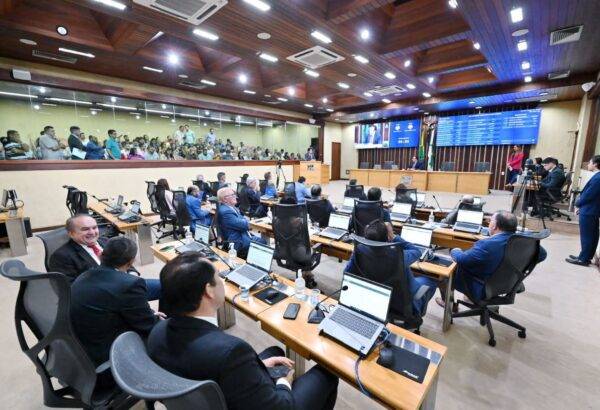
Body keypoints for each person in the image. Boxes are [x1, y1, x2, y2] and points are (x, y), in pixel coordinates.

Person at [147, 253, 338, 410]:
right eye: (218, 278)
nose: (221, 282)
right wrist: (283, 381)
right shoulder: (230, 351)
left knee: (275, 352)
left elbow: (211, 372)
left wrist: (259, 366)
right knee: (327, 373)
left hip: (211, 396)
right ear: (209, 291)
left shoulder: (157, 331)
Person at [70, 236, 161, 369]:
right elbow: (147, 326)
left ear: (101, 255)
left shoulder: (84, 275)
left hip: (86, 344)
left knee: (165, 285)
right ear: (131, 261)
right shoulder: (129, 286)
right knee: (168, 330)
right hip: (109, 353)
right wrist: (155, 318)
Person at [436, 211, 547, 308]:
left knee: (443, 272)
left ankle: (448, 304)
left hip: (484, 287)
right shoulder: (524, 242)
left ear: (494, 226)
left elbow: (462, 260)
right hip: (511, 283)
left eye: (491, 221)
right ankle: (471, 298)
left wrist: (455, 250)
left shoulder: (487, 245)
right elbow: (542, 255)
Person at [49, 214, 162, 300]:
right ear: (71, 233)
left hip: (128, 284)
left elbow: (125, 261)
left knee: (169, 286)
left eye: (94, 227)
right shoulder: (61, 256)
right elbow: (69, 290)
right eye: (85, 229)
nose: (92, 232)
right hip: (105, 296)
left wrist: (132, 276)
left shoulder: (106, 241)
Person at [346, 220, 437, 316]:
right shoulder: (398, 256)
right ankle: (416, 308)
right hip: (398, 305)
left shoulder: (359, 251)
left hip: (372, 299)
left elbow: (347, 273)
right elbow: (416, 251)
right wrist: (394, 236)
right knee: (430, 281)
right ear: (388, 238)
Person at [566, 155, 600, 266]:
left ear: (595, 164)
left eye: (590, 162)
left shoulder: (598, 178)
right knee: (592, 236)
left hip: (589, 210)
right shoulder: (597, 176)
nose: (588, 164)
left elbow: (589, 195)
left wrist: (577, 204)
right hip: (592, 210)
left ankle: (583, 259)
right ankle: (584, 256)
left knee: (587, 236)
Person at [217, 187, 267, 258]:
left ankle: (254, 261)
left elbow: (242, 220)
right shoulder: (226, 211)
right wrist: (245, 221)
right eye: (232, 195)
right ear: (225, 199)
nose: (236, 196)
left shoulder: (231, 207)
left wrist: (244, 220)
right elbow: (244, 225)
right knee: (263, 242)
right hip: (237, 241)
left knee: (261, 240)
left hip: (241, 235)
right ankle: (256, 264)